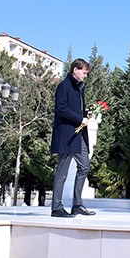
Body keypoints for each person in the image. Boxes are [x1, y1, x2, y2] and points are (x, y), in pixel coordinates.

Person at [50, 58, 96, 217]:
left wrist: (86, 115)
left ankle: (77, 205)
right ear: (75, 70)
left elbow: (77, 109)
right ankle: (56, 208)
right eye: (84, 72)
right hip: (67, 136)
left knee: (84, 166)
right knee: (61, 173)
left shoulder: (80, 87)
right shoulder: (63, 86)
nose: (85, 76)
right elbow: (61, 108)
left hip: (79, 135)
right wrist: (79, 119)